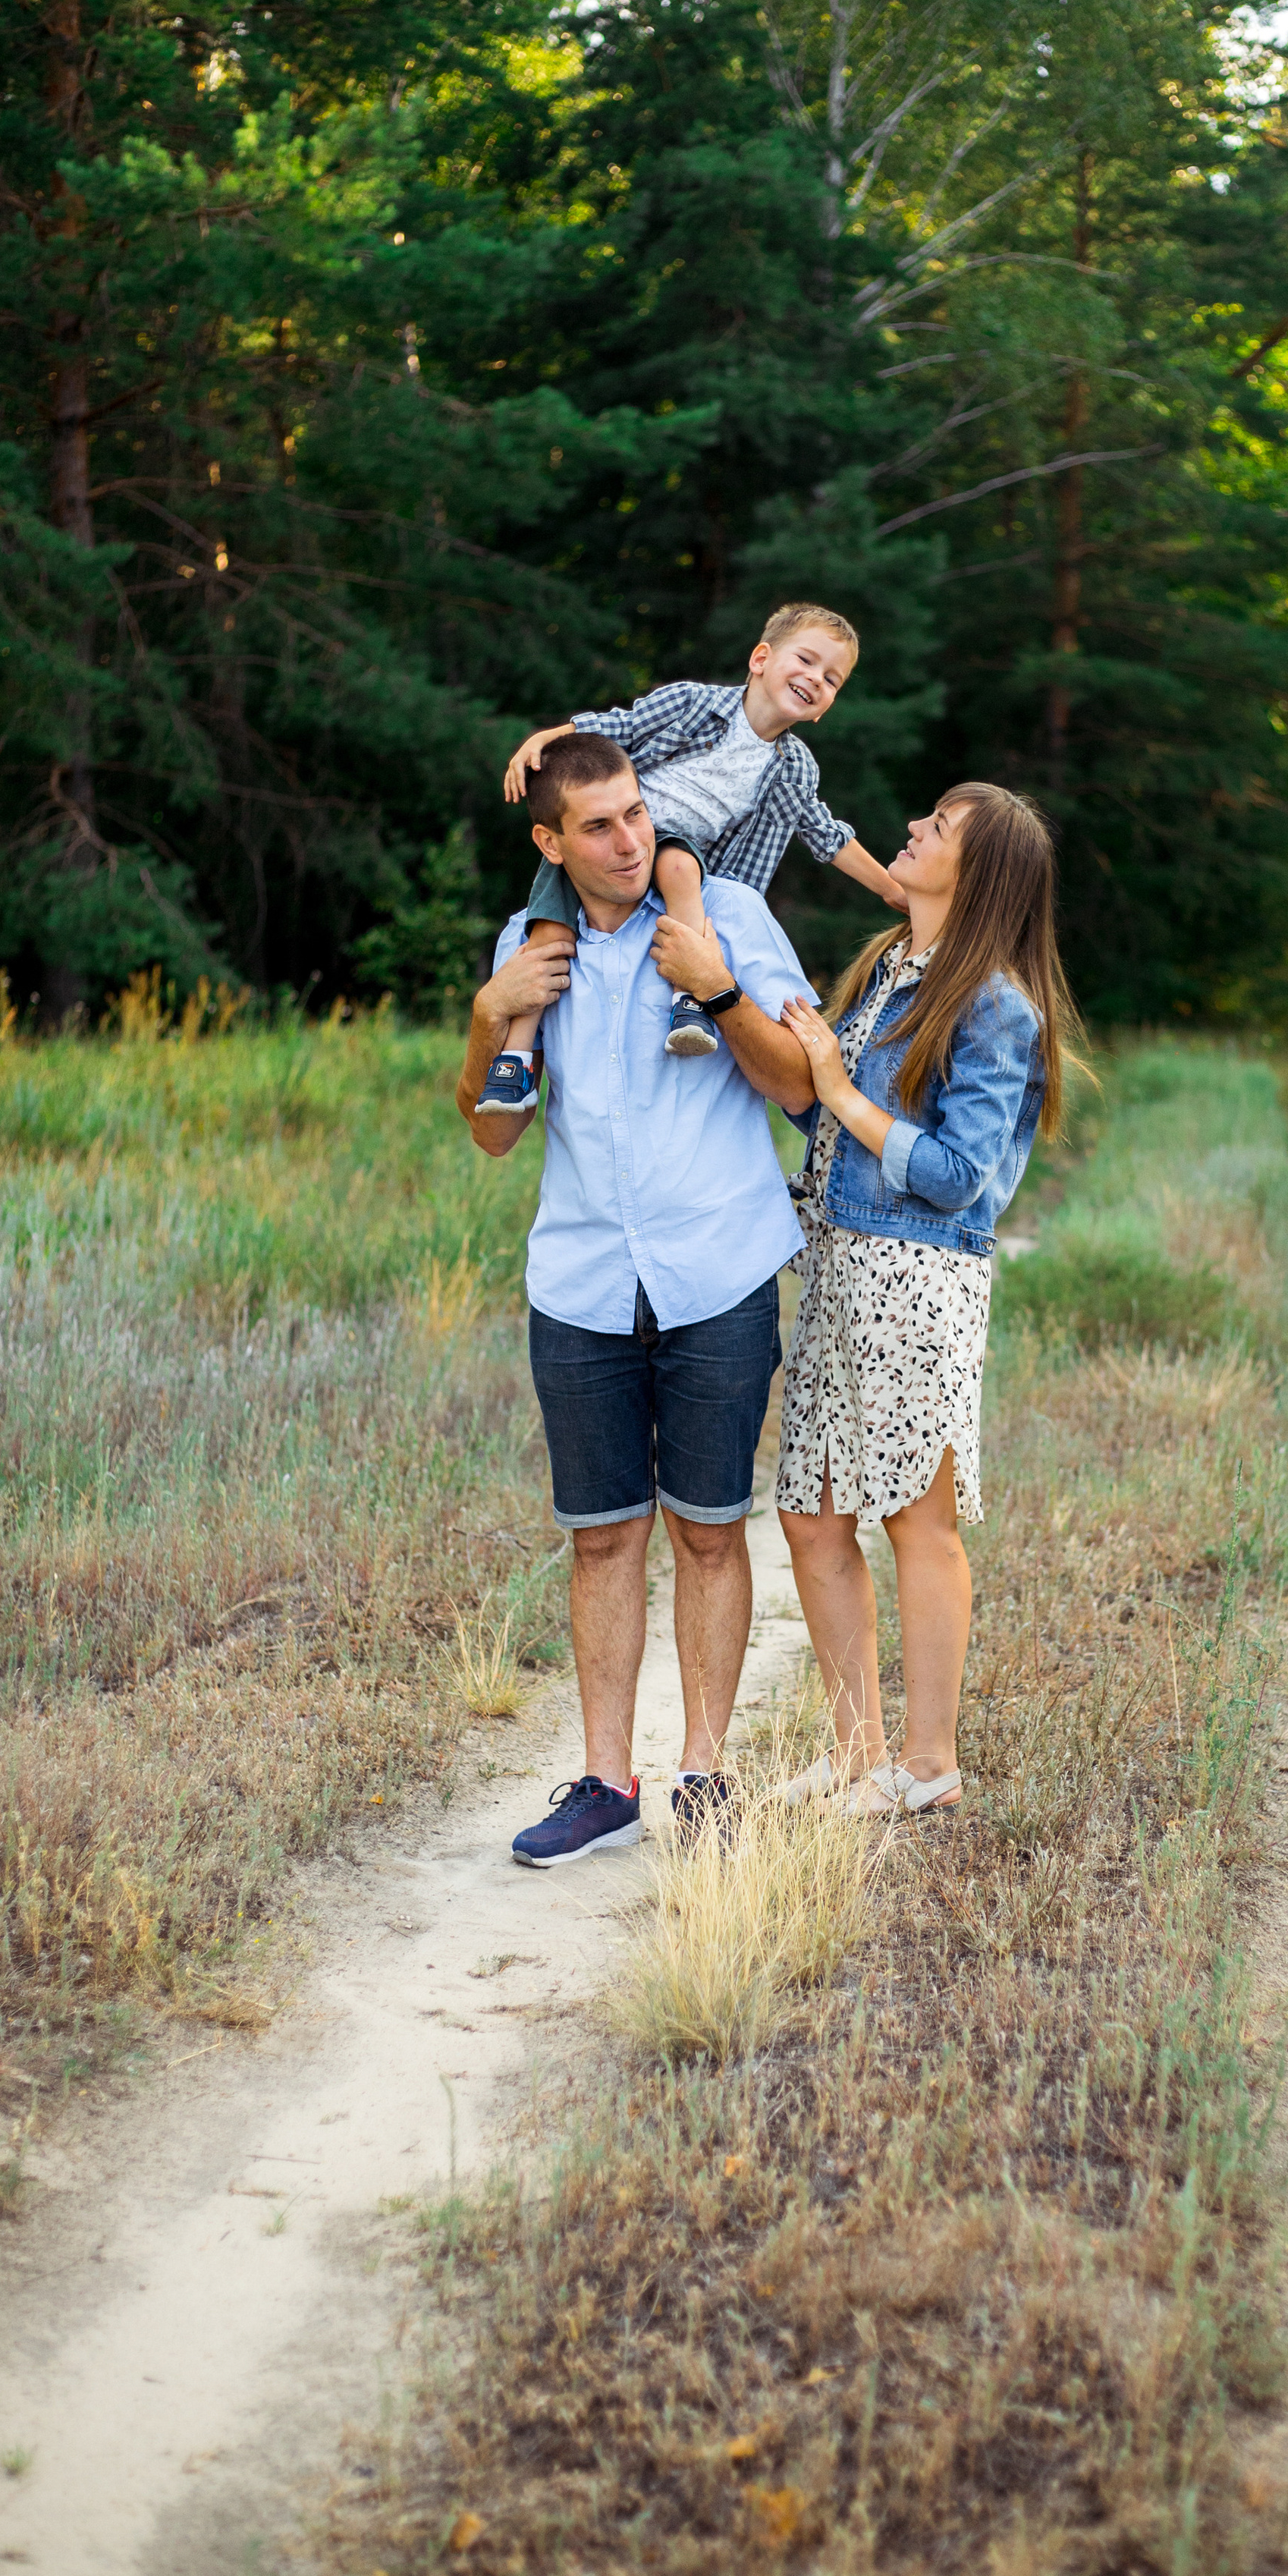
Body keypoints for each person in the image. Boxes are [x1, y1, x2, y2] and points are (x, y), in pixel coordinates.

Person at [456, 730, 817, 1866]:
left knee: (708, 1532)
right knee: (603, 1539)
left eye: (636, 817)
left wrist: (714, 984)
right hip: (581, 1284)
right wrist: (485, 1015)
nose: (629, 842)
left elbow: (803, 1086)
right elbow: (491, 1133)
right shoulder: (532, 945)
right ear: (550, 842)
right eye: (600, 826)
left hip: (715, 1271)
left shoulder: (731, 918)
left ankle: (705, 1775)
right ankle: (606, 1784)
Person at [774, 782, 1076, 1816]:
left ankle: (931, 1761)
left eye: (938, 828)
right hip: (835, 1267)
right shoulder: (885, 966)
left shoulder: (997, 1005)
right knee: (811, 1513)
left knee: (917, 1519)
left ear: (978, 870)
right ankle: (857, 1749)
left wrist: (840, 1086)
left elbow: (955, 1173)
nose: (911, 829)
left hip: (918, 1279)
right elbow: (817, 1113)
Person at [473, 604, 906, 1118]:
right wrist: (550, 735)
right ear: (761, 658)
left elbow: (826, 835)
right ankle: (513, 1067)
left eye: (831, 679)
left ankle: (689, 999)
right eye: (807, 661)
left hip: (683, 854)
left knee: (678, 870)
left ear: (825, 706)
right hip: (628, 831)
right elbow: (622, 728)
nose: (816, 679)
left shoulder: (795, 769)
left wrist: (890, 890)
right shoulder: (693, 703)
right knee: (546, 939)